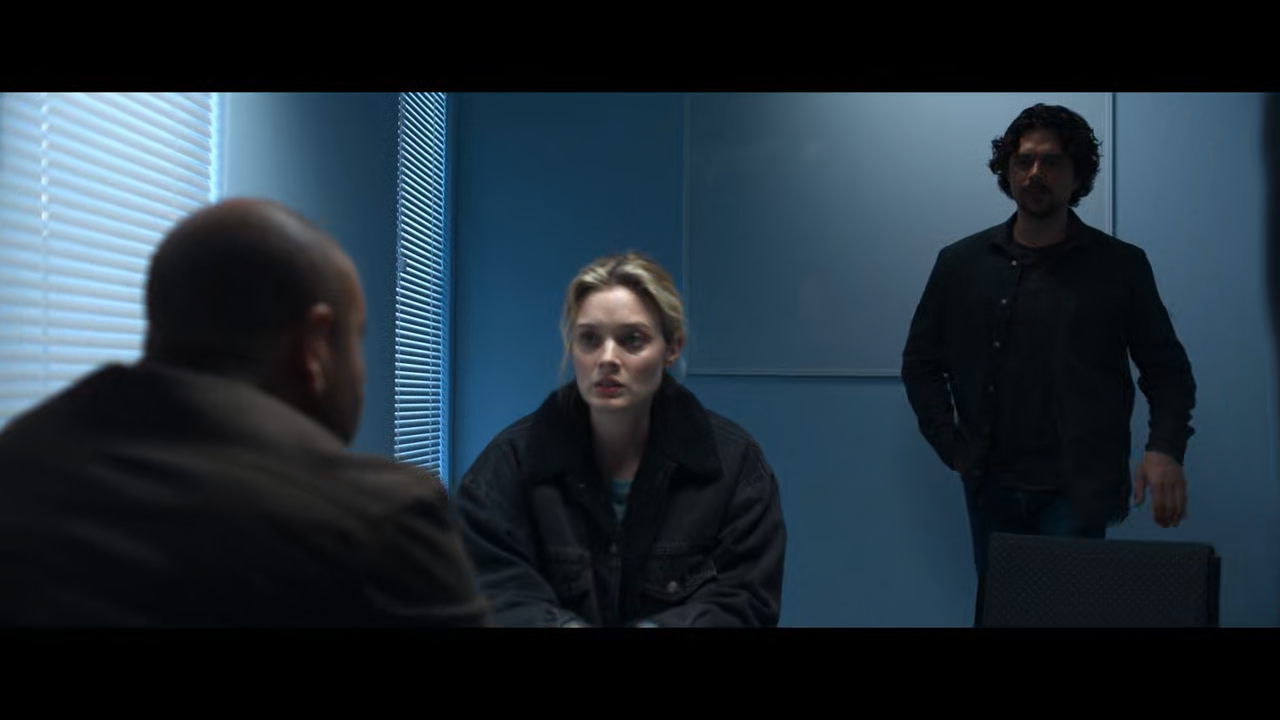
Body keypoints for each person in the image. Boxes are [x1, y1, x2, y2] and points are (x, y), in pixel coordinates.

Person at [0, 198, 491, 627]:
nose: (362, 375)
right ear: (317, 346)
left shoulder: (19, 462)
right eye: (356, 340)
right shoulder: (379, 520)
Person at [901, 103, 1197, 582]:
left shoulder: (1119, 266)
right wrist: (951, 445)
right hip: (990, 485)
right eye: (1023, 161)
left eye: (1052, 161)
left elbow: (1167, 371)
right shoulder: (961, 263)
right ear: (1007, 171)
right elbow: (920, 362)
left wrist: (1164, 449)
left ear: (1078, 175)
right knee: (1000, 608)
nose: (1034, 173)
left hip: (1078, 487)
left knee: (1066, 607)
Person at [453, 252, 787, 627]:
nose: (607, 358)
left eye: (632, 340)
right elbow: (490, 592)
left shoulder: (736, 466)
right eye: (590, 339)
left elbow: (745, 601)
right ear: (572, 346)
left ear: (672, 348)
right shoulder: (507, 466)